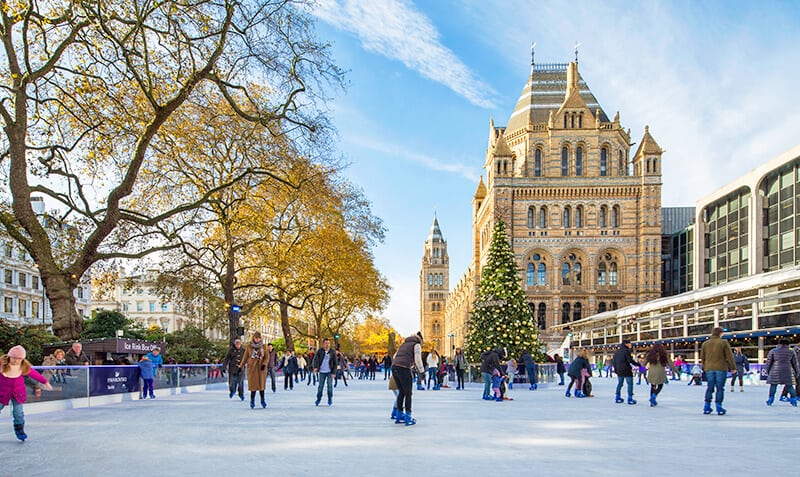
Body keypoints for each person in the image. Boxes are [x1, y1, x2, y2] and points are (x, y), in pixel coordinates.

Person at [1, 346, 53, 441]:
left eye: (19, 359)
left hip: (18, 393)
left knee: (18, 413)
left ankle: (20, 430)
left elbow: (35, 375)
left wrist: (45, 382)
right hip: (2, 393)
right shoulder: (2, 365)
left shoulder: (23, 367)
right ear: (9, 356)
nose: (16, 361)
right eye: (14, 358)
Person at [699, 326, 736, 415]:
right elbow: (729, 356)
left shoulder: (705, 344)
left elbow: (702, 358)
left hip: (709, 368)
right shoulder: (723, 342)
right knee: (720, 388)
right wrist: (733, 368)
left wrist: (705, 367)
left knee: (710, 387)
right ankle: (719, 407)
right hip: (721, 368)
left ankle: (706, 406)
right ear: (721, 333)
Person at [391, 332, 425, 426]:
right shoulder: (416, 344)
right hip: (403, 368)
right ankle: (408, 417)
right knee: (408, 393)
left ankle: (399, 415)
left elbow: (395, 356)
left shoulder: (404, 344)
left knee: (401, 392)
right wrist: (422, 371)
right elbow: (418, 358)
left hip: (394, 367)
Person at [238, 332, 268, 409]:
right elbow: (245, 357)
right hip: (252, 368)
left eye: (259, 338)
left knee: (261, 386)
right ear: (253, 338)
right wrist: (240, 366)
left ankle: (262, 400)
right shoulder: (249, 347)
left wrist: (264, 364)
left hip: (261, 368)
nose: (257, 339)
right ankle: (252, 400)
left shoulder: (264, 347)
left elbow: (267, 357)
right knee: (253, 386)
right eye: (256, 338)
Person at [765, 338, 799, 406]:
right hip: (787, 371)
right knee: (789, 386)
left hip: (775, 371)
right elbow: (795, 363)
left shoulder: (773, 351)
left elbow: (769, 362)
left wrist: (768, 371)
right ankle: (793, 399)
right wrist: (797, 372)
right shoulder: (791, 351)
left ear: (779, 343)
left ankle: (771, 399)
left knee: (773, 385)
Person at [612, 340, 640, 404]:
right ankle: (630, 398)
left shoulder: (617, 352)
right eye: (629, 343)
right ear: (626, 344)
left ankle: (617, 396)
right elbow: (630, 360)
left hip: (619, 370)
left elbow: (614, 362)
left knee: (620, 384)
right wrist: (638, 365)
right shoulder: (626, 351)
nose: (630, 345)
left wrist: (616, 370)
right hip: (626, 370)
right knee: (630, 384)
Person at [312, 338, 338, 406]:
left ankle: (330, 398)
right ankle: (318, 399)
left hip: (330, 371)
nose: (327, 345)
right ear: (323, 344)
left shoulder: (332, 352)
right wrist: (315, 367)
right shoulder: (320, 351)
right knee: (320, 386)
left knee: (329, 386)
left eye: (328, 343)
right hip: (322, 371)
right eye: (326, 343)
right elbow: (315, 360)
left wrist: (334, 372)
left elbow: (335, 363)